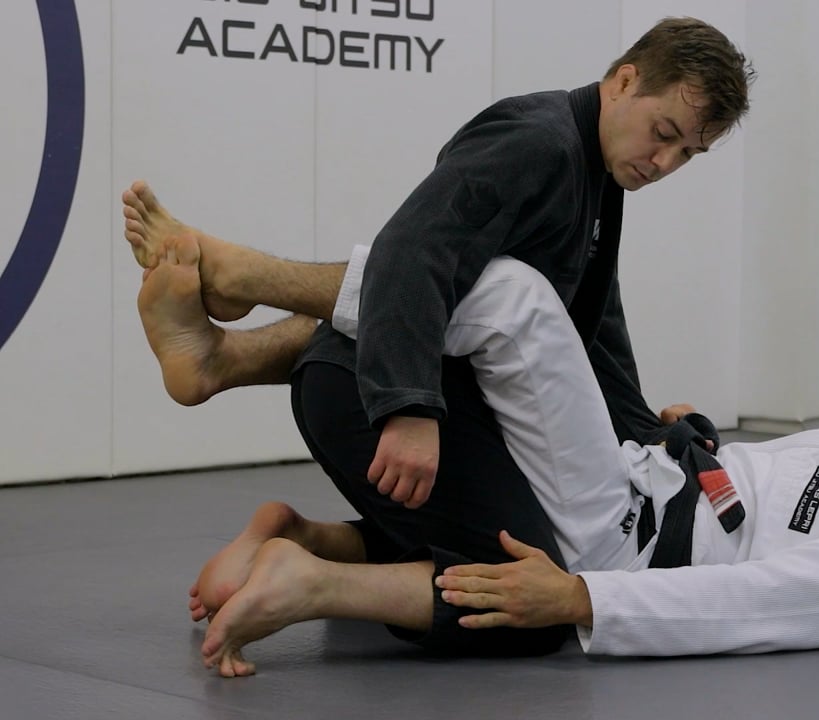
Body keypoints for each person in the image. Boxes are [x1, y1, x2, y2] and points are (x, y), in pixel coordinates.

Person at [129, 226, 819, 676]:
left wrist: (585, 600)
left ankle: (246, 287)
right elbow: (760, 493)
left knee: (512, 299)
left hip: (625, 545)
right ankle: (301, 526)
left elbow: (762, 599)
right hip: (643, 479)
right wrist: (699, 435)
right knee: (525, 291)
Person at [123, 15, 754, 665]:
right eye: (664, 134)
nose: (664, 163)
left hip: (397, 374)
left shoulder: (599, 174)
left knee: (531, 552)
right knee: (532, 594)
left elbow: (591, 334)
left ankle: (299, 527)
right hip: (375, 393)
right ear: (623, 82)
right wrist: (410, 407)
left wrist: (650, 435)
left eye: (687, 155)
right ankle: (305, 578)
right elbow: (411, 251)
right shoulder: (538, 140)